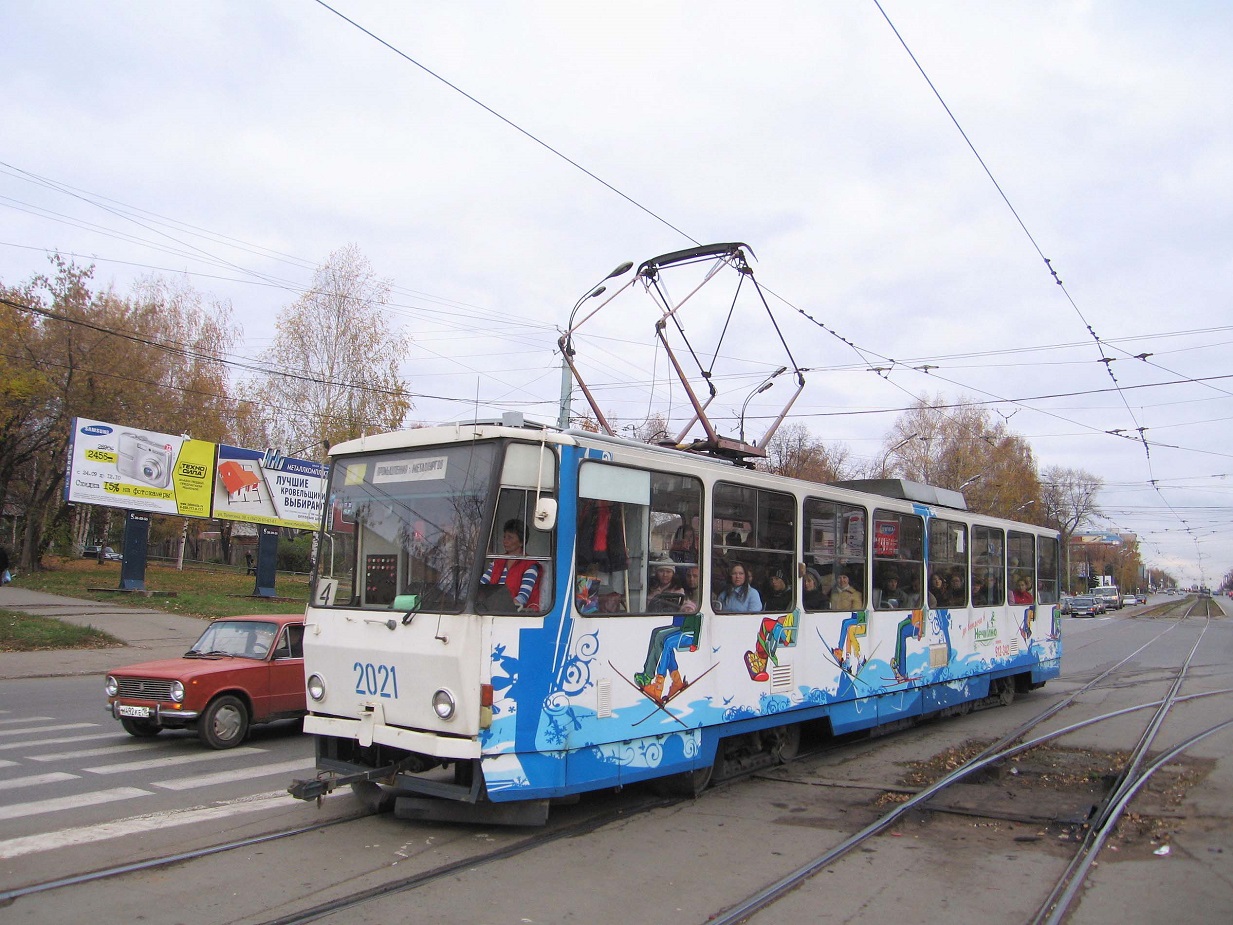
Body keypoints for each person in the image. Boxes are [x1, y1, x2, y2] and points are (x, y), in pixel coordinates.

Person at [480, 518, 541, 611]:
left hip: (514, 613)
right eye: (504, 537)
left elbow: (523, 596)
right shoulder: (497, 561)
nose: (505, 541)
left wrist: (508, 606)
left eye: (510, 537)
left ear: (521, 542)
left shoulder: (530, 565)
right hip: (490, 609)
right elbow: (482, 584)